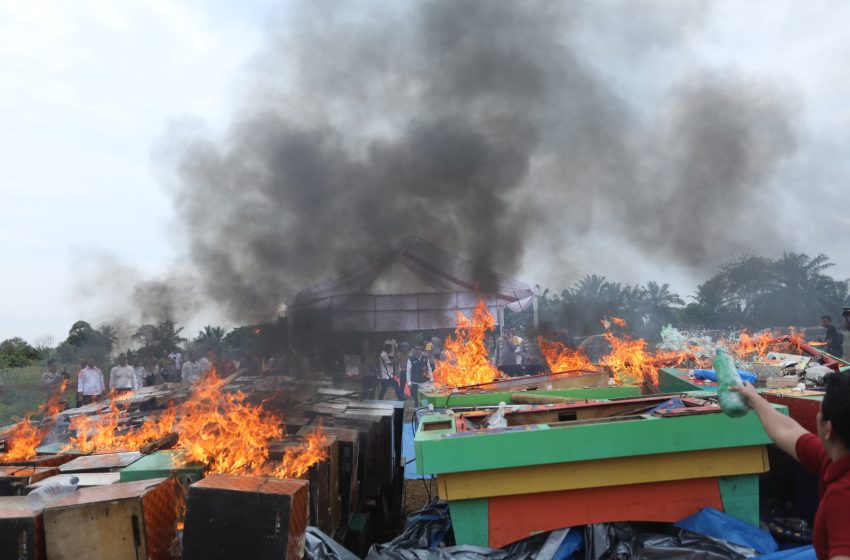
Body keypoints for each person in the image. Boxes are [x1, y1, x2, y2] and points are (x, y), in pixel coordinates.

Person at [732, 376, 850, 560]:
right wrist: (754, 399)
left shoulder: (842, 495)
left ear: (828, 428)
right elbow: (788, 432)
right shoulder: (834, 458)